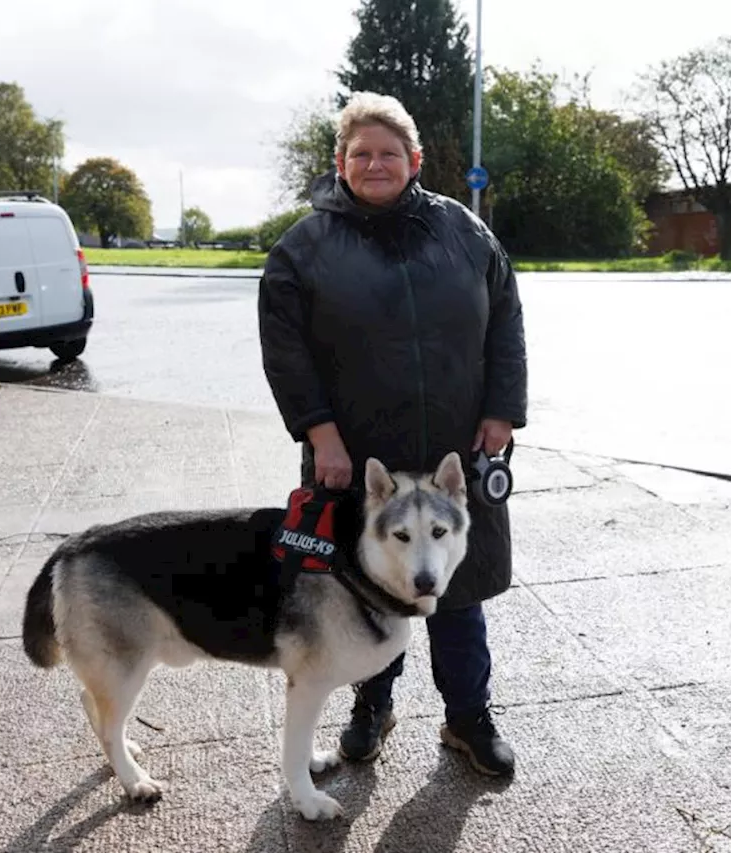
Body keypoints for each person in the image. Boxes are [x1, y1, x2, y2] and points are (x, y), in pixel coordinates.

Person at [257, 91, 527, 777]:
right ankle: (371, 706)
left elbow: (506, 319)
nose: (375, 163)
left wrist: (503, 407)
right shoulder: (303, 248)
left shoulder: (465, 231)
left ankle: (468, 716)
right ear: (341, 163)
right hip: (357, 460)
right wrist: (320, 436)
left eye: (388, 152)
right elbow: (284, 350)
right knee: (365, 595)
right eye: (361, 153)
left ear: (414, 159)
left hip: (451, 459)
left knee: (455, 592)